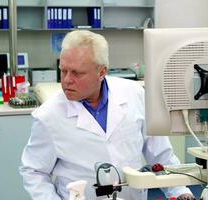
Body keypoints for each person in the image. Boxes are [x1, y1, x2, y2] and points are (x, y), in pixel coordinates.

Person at [19, 30, 194, 200]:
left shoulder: (135, 94)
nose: (66, 80)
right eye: (63, 70)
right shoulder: (48, 116)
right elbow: (34, 172)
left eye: (77, 73)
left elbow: (161, 155)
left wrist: (180, 192)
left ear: (102, 72)